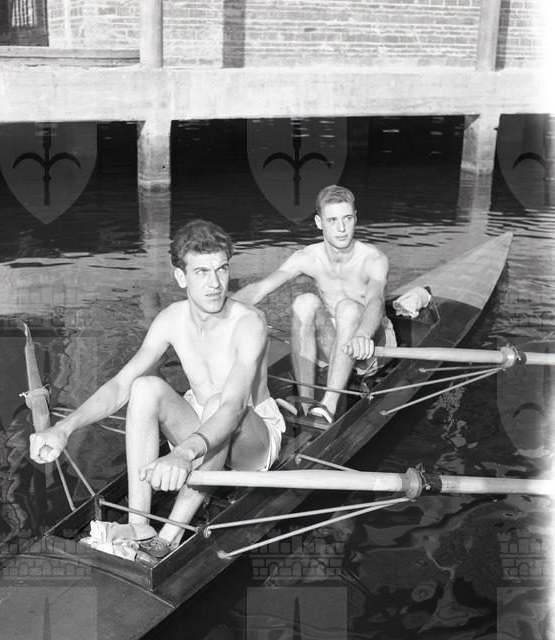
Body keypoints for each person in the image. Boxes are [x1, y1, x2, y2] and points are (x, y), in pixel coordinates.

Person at [29, 219, 285, 560]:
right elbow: (120, 385)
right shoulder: (170, 319)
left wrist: (182, 453)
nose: (215, 284)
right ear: (181, 277)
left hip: (252, 439)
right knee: (144, 387)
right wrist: (64, 428)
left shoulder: (248, 323)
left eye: (221, 269)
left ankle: (167, 540)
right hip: (200, 427)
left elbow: (232, 407)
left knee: (216, 403)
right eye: (202, 272)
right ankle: (139, 525)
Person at [233, 185, 397, 424]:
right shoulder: (308, 257)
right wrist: (214, 308)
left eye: (347, 218)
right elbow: (260, 289)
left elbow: (376, 302)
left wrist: (363, 335)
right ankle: (306, 402)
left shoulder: (373, 259)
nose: (341, 228)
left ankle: (328, 406)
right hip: (337, 345)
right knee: (304, 302)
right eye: (332, 220)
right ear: (319, 223)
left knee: (348, 307)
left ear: (355, 218)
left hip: (370, 348)